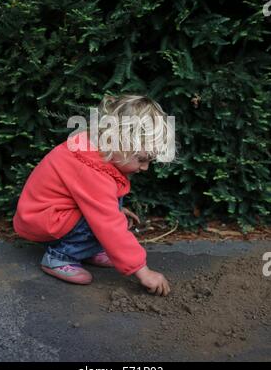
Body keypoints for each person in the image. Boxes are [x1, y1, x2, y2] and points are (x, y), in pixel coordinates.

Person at [13, 94, 174, 296]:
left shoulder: (96, 150)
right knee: (104, 219)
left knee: (110, 208)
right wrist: (143, 272)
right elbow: (107, 222)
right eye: (142, 159)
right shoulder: (90, 170)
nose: (145, 167)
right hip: (44, 220)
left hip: (52, 214)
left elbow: (94, 201)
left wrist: (117, 209)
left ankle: (86, 250)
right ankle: (59, 257)